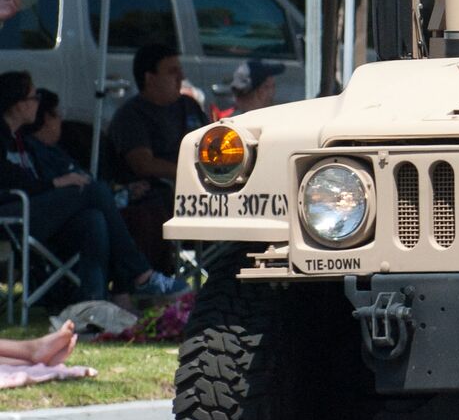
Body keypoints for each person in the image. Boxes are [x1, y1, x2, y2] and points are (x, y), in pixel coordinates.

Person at [0, 72, 184, 302]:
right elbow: (7, 178)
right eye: (33, 96)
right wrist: (55, 183)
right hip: (11, 213)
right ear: (17, 104)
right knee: (93, 191)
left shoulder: (21, 139)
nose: (37, 101)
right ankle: (141, 274)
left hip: (30, 210)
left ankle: (93, 305)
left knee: (93, 219)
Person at [106, 43, 207, 267]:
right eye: (172, 71)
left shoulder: (188, 106)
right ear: (149, 78)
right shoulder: (131, 116)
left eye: (179, 70)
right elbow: (144, 164)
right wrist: (193, 174)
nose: (181, 77)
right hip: (157, 194)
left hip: (203, 190)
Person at [213, 58, 283, 118]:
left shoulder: (227, 125)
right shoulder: (275, 124)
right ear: (261, 91)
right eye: (272, 86)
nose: (274, 91)